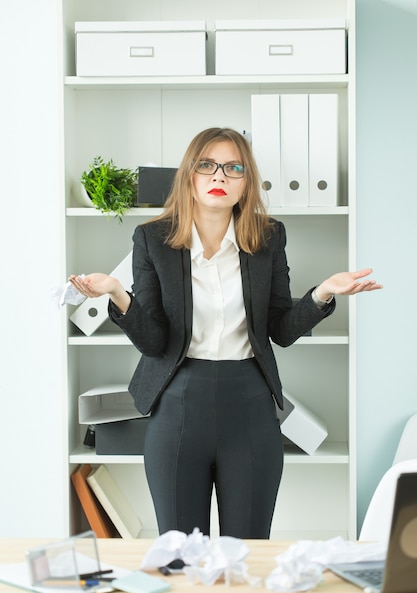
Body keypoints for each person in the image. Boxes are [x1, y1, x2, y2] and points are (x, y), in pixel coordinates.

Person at [69, 127, 382, 540]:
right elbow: (155, 342)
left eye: (234, 167)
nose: (220, 177)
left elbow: (280, 330)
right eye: (207, 165)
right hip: (178, 403)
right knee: (180, 554)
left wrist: (323, 293)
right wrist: (117, 294)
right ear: (189, 175)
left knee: (248, 550)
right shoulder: (153, 240)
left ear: (247, 180)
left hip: (250, 404)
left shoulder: (268, 238)